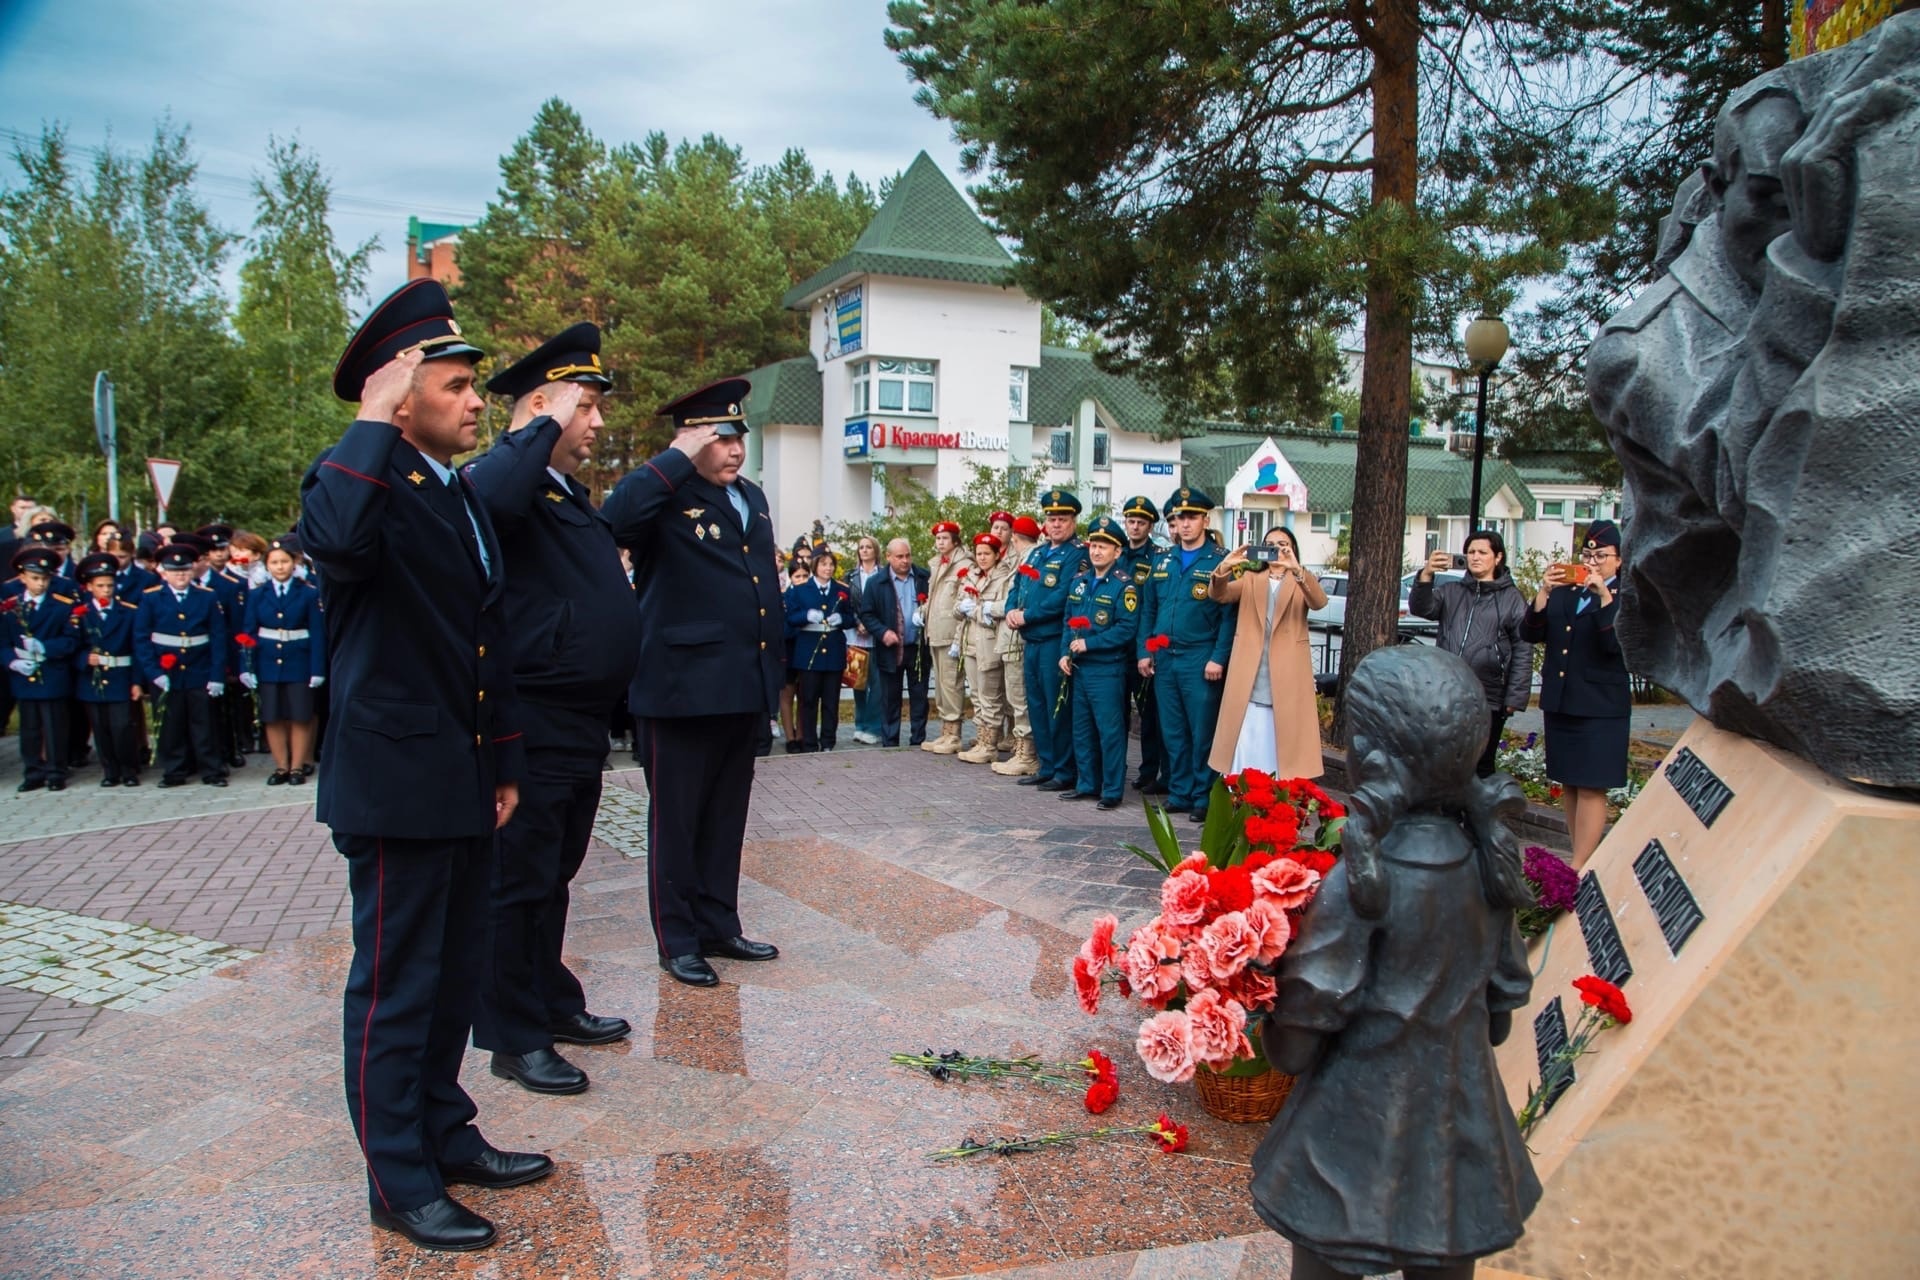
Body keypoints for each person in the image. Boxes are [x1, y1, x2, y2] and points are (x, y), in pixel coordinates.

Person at [299, 279, 543, 1253]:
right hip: (394, 782)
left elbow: (487, 635)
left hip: (459, 775)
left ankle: (444, 1132)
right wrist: (368, 418)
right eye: (454, 383)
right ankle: (397, 1177)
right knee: (398, 984)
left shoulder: (451, 490)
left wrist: (504, 759)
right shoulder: (353, 477)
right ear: (400, 393)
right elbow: (338, 546)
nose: (476, 399)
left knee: (452, 975)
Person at [1253, 644, 1539, 1280]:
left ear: (1371, 760)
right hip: (1459, 1140)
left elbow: (1293, 1052)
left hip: (1344, 1143)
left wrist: (1258, 996)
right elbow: (1497, 1023)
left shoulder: (1360, 882)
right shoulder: (1489, 869)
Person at [464, 322, 639, 1094]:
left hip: (576, 719)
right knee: (518, 879)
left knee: (554, 873)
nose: (598, 423)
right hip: (530, 716)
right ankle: (511, 1033)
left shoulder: (564, 490)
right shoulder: (505, 480)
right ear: (541, 405)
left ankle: (548, 998)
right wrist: (538, 421)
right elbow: (486, 497)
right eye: (586, 406)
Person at [603, 376, 784, 990]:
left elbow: (760, 593)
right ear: (692, 439)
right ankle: (677, 940)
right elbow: (614, 518)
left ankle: (717, 924)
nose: (735, 449)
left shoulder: (751, 497)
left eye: (740, 437)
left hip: (740, 688)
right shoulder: (663, 493)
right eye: (722, 438)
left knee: (725, 818)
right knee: (675, 823)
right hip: (679, 691)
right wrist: (674, 458)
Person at [1521, 520, 1630, 869]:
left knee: (1590, 785)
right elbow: (1531, 633)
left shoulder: (1627, 598)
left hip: (1601, 706)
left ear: (1619, 560)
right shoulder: (1568, 591)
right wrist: (1543, 593)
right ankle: (1578, 851)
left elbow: (1616, 646)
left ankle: (1581, 864)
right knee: (1568, 781)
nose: (1593, 561)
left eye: (1601, 555)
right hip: (1563, 700)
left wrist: (1604, 597)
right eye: (1587, 554)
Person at [1208, 526, 1329, 800]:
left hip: (1287, 678)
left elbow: (1319, 601)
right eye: (1270, 544)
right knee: (1246, 743)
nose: (1277, 549)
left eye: (1283, 544)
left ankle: (1279, 803)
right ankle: (1242, 799)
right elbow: (1219, 594)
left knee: (1283, 747)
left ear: (1293, 548)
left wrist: (1295, 568)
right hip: (1250, 674)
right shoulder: (1252, 579)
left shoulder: (1302, 580)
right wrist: (1225, 566)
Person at [1138, 487, 1234, 816]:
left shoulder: (1221, 561)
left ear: (1206, 520)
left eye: (1192, 517)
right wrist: (1145, 652)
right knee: (1173, 730)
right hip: (1166, 658)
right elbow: (1150, 611)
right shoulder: (1164, 560)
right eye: (1180, 518)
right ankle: (1179, 792)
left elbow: (1228, 617)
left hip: (1200, 657)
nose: (1186, 523)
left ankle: (1203, 795)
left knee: (1202, 731)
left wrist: (1218, 657)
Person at [1409, 531, 1534, 778]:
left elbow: (1523, 648)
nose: (1475, 557)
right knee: (1446, 761)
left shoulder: (1511, 599)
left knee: (1481, 764)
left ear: (1497, 557)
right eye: (1471, 552)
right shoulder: (1452, 591)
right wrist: (1426, 575)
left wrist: (1514, 698)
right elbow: (1421, 607)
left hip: (1489, 695)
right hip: (1448, 692)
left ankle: (1477, 816)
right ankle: (1448, 816)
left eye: (1482, 552)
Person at [1008, 489, 1090, 792]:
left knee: (1058, 708)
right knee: (1037, 705)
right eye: (1051, 519)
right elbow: (1019, 584)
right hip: (1031, 640)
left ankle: (1064, 770)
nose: (1056, 525)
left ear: (1073, 521)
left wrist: (1027, 615)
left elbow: (1063, 596)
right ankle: (1046, 764)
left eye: (1062, 519)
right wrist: (1010, 611)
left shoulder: (1078, 553)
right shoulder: (1039, 552)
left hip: (1055, 639)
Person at [1057, 516, 1140, 810]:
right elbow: (1069, 621)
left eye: (1104, 547)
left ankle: (1112, 790)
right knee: (1082, 730)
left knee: (1110, 731)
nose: (1096, 552)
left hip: (1107, 669)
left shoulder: (1124, 586)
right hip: (1079, 668)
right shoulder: (1079, 581)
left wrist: (1090, 643)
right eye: (1094, 546)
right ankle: (1087, 784)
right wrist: (1065, 652)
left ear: (1117, 552)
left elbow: (1126, 629)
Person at [134, 538, 229, 788]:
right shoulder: (151, 598)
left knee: (204, 724)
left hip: (200, 669)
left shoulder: (206, 597)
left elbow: (218, 638)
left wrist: (217, 675)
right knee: (170, 725)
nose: (181, 576)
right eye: (175, 571)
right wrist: (153, 673)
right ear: (163, 573)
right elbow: (142, 639)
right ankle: (174, 770)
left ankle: (211, 770)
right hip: (168, 672)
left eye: (185, 570)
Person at [237, 534, 325, 786]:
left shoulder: (308, 593)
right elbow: (248, 632)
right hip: (267, 661)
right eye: (274, 562)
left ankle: (297, 766)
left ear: (294, 563)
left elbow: (318, 634)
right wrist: (246, 666)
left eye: (284, 561)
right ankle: (281, 766)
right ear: (266, 566)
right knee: (272, 716)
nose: (279, 567)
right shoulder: (257, 594)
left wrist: (317, 668)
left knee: (300, 715)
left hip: (299, 660)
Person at [4, 545, 81, 791]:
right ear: (22, 577)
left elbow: (70, 640)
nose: (40, 584)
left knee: (54, 726)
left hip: (51, 673)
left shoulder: (61, 606)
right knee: (29, 727)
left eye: (45, 578)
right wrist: (12, 661)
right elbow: (3, 641)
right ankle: (33, 771)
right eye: (35, 578)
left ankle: (56, 771)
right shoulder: (10, 607)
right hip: (24, 675)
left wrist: (45, 647)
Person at [72, 552, 143, 787]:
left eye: (110, 585)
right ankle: (110, 770)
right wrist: (84, 658)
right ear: (89, 586)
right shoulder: (80, 615)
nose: (106, 590)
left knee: (122, 726)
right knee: (101, 728)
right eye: (100, 585)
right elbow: (72, 646)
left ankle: (129, 769)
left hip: (120, 676)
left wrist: (136, 681)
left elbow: (137, 649)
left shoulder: (128, 612)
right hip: (93, 679)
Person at [856, 538, 932, 748]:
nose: (905, 561)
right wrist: (882, 632)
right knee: (890, 697)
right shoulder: (876, 582)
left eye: (908, 555)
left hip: (917, 648)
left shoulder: (923, 577)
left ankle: (918, 740)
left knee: (919, 696)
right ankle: (890, 742)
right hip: (890, 649)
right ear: (888, 557)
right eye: (899, 556)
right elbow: (867, 614)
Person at [1118, 495, 1167, 793]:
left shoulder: (1158, 557)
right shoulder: (1117, 553)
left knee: (1149, 715)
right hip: (1118, 649)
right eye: (1131, 521)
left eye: (1141, 522)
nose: (1135, 527)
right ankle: (1115, 767)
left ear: (1150, 526)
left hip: (1143, 647)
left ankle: (1150, 770)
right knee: (1116, 713)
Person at [785, 548, 854, 752]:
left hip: (833, 649)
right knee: (808, 700)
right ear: (815, 566)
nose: (828, 568)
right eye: (824, 564)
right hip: (809, 651)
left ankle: (828, 741)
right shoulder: (800, 590)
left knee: (831, 701)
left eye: (831, 564)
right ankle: (809, 741)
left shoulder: (842, 590)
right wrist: (807, 615)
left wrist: (842, 619)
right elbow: (790, 618)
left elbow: (851, 617)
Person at [990, 515, 1044, 776]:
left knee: (1019, 699)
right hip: (1011, 636)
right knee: (1015, 698)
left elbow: (1021, 600)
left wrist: (989, 608)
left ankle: (1027, 754)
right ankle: (1022, 750)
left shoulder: (1029, 559)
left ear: (1014, 537)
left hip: (1016, 637)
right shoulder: (1025, 559)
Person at [955, 532, 1013, 764]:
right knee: (977, 696)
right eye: (978, 553)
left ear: (997, 554)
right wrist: (963, 607)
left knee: (991, 697)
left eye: (987, 553)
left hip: (990, 642)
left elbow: (1006, 606)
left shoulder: (1004, 577)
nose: (981, 558)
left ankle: (990, 744)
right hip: (969, 642)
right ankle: (982, 740)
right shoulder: (971, 576)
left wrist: (980, 610)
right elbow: (956, 608)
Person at [922, 520, 967, 754]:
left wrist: (959, 637)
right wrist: (922, 611)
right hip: (935, 631)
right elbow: (935, 598)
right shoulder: (937, 564)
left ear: (955, 541)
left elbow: (962, 599)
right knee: (940, 685)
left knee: (951, 683)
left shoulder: (963, 563)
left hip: (951, 631)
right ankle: (945, 730)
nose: (940, 542)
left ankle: (955, 734)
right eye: (938, 539)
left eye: (945, 538)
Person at [845, 535, 886, 744]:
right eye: (861, 547)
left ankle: (873, 727)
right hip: (855, 635)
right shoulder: (850, 575)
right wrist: (857, 622)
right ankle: (860, 725)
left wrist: (871, 625)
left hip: (876, 635)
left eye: (868, 547)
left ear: (875, 550)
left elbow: (886, 604)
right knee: (857, 683)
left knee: (876, 684)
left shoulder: (883, 575)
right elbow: (846, 604)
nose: (864, 550)